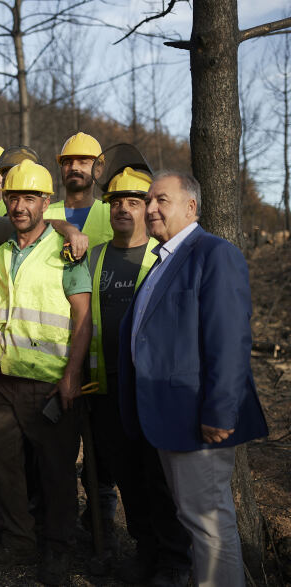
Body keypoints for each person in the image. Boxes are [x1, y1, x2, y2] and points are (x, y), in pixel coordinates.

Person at [119, 171, 269, 587]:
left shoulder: (213, 254)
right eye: (148, 200)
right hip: (167, 417)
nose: (149, 208)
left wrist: (220, 411)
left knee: (209, 523)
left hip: (198, 418)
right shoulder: (162, 260)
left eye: (161, 200)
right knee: (193, 518)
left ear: (191, 207)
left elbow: (229, 338)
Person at [0, 159, 92, 585]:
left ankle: (59, 550)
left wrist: (71, 375)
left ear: (47, 202)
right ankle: (18, 542)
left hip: (49, 382)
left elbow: (84, 318)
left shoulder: (67, 251)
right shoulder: (2, 255)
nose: (20, 205)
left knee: (56, 469)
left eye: (29, 198)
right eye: (13, 197)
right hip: (4, 377)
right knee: (5, 465)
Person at [85, 167, 192, 583]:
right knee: (127, 476)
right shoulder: (94, 255)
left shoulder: (161, 255)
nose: (123, 210)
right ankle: (145, 552)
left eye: (133, 202)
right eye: (115, 203)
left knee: (159, 480)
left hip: (151, 391)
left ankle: (174, 564)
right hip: (108, 387)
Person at [44, 132, 112, 246]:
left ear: (98, 170)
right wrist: (59, 225)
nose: (74, 167)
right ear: (61, 170)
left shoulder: (113, 214)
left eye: (82, 162)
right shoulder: (44, 213)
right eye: (68, 162)